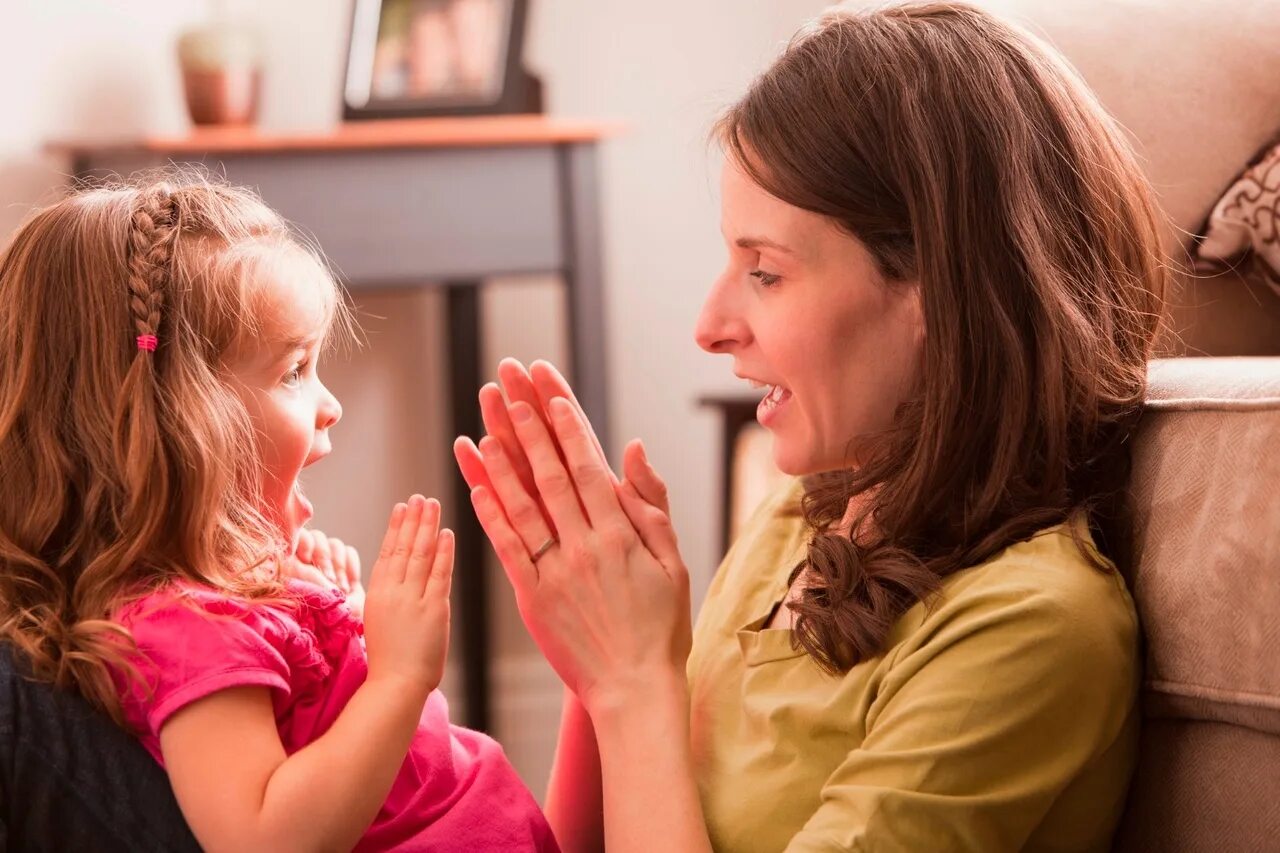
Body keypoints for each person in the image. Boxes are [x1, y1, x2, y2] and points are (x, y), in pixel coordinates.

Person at [455, 2, 1168, 851]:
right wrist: (598, 661)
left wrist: (632, 684)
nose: (710, 323)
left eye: (765, 273)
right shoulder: (797, 524)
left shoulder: (1035, 627)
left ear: (938, 294)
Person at [0, 175, 557, 851]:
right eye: (294, 370)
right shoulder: (187, 627)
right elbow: (267, 838)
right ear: (183, 421)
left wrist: (338, 630)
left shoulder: (224, 594)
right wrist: (398, 677)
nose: (330, 404)